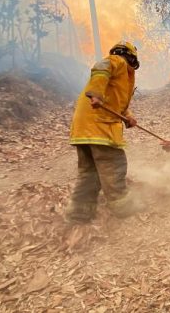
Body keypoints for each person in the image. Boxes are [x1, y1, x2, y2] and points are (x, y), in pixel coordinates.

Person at [65, 41, 141, 223]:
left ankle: (79, 213)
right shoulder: (117, 61)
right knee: (114, 165)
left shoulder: (120, 78)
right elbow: (101, 67)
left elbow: (116, 104)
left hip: (83, 128)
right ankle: (123, 208)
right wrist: (96, 93)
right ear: (130, 57)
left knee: (89, 172)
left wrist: (128, 116)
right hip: (99, 126)